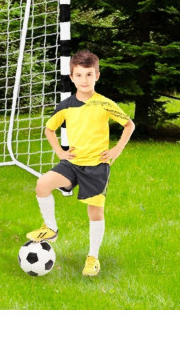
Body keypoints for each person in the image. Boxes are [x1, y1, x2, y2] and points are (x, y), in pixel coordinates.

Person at [26, 49, 135, 277]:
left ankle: (93, 257)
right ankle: (51, 228)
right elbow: (49, 129)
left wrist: (116, 149)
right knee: (42, 184)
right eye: (79, 75)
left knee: (94, 211)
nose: (84, 80)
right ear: (72, 77)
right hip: (72, 163)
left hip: (96, 166)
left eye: (89, 74)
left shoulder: (104, 103)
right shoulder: (66, 105)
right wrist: (60, 152)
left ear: (97, 76)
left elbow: (129, 125)